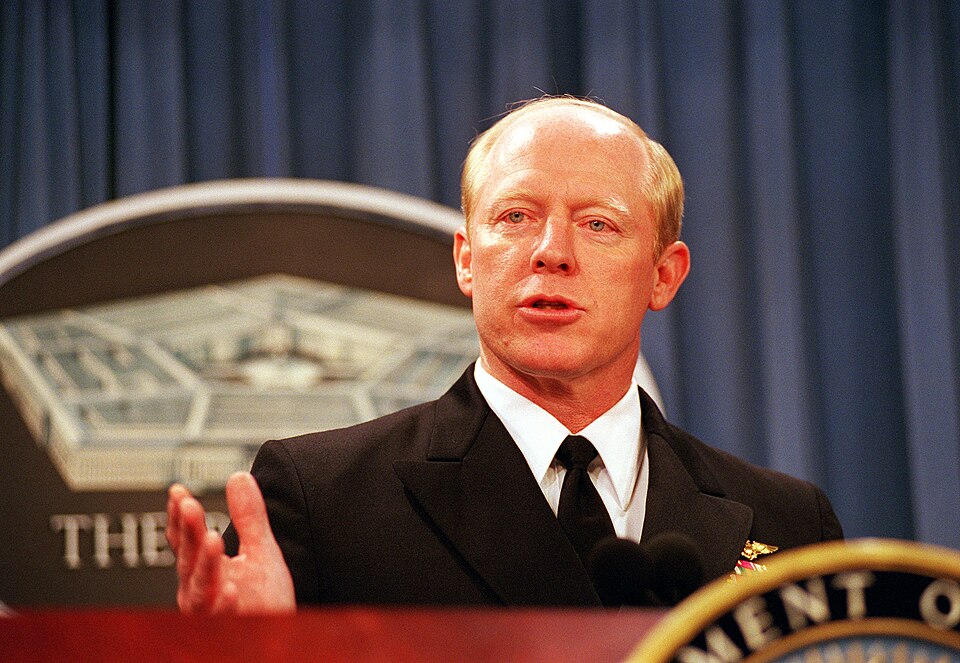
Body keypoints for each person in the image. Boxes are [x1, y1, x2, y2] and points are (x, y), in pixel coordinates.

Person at [167, 97, 842, 613]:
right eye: (515, 216)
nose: (551, 250)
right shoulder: (322, 498)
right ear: (467, 258)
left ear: (664, 275)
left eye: (598, 224)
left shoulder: (788, 521)